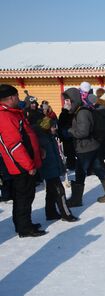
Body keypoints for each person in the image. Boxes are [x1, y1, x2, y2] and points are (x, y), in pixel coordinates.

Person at [0, 84, 46, 237]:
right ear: (11, 97)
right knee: (23, 197)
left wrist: (38, 151)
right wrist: (28, 165)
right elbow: (14, 145)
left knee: (27, 196)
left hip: (25, 162)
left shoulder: (13, 113)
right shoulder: (5, 116)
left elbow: (27, 136)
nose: (19, 99)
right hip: (20, 166)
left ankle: (24, 224)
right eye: (17, 96)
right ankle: (24, 228)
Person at [64, 87, 105, 206]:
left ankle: (76, 200)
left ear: (74, 100)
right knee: (99, 169)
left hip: (85, 148)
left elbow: (83, 132)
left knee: (80, 172)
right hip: (92, 146)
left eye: (68, 100)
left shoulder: (81, 112)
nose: (66, 103)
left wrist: (70, 131)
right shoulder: (80, 110)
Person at [36, 116, 78, 222]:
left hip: (53, 167)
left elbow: (56, 154)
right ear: (47, 127)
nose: (55, 128)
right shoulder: (41, 139)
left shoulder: (50, 137)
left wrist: (61, 166)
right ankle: (66, 214)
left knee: (51, 192)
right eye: (53, 126)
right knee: (60, 191)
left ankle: (50, 213)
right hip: (48, 169)